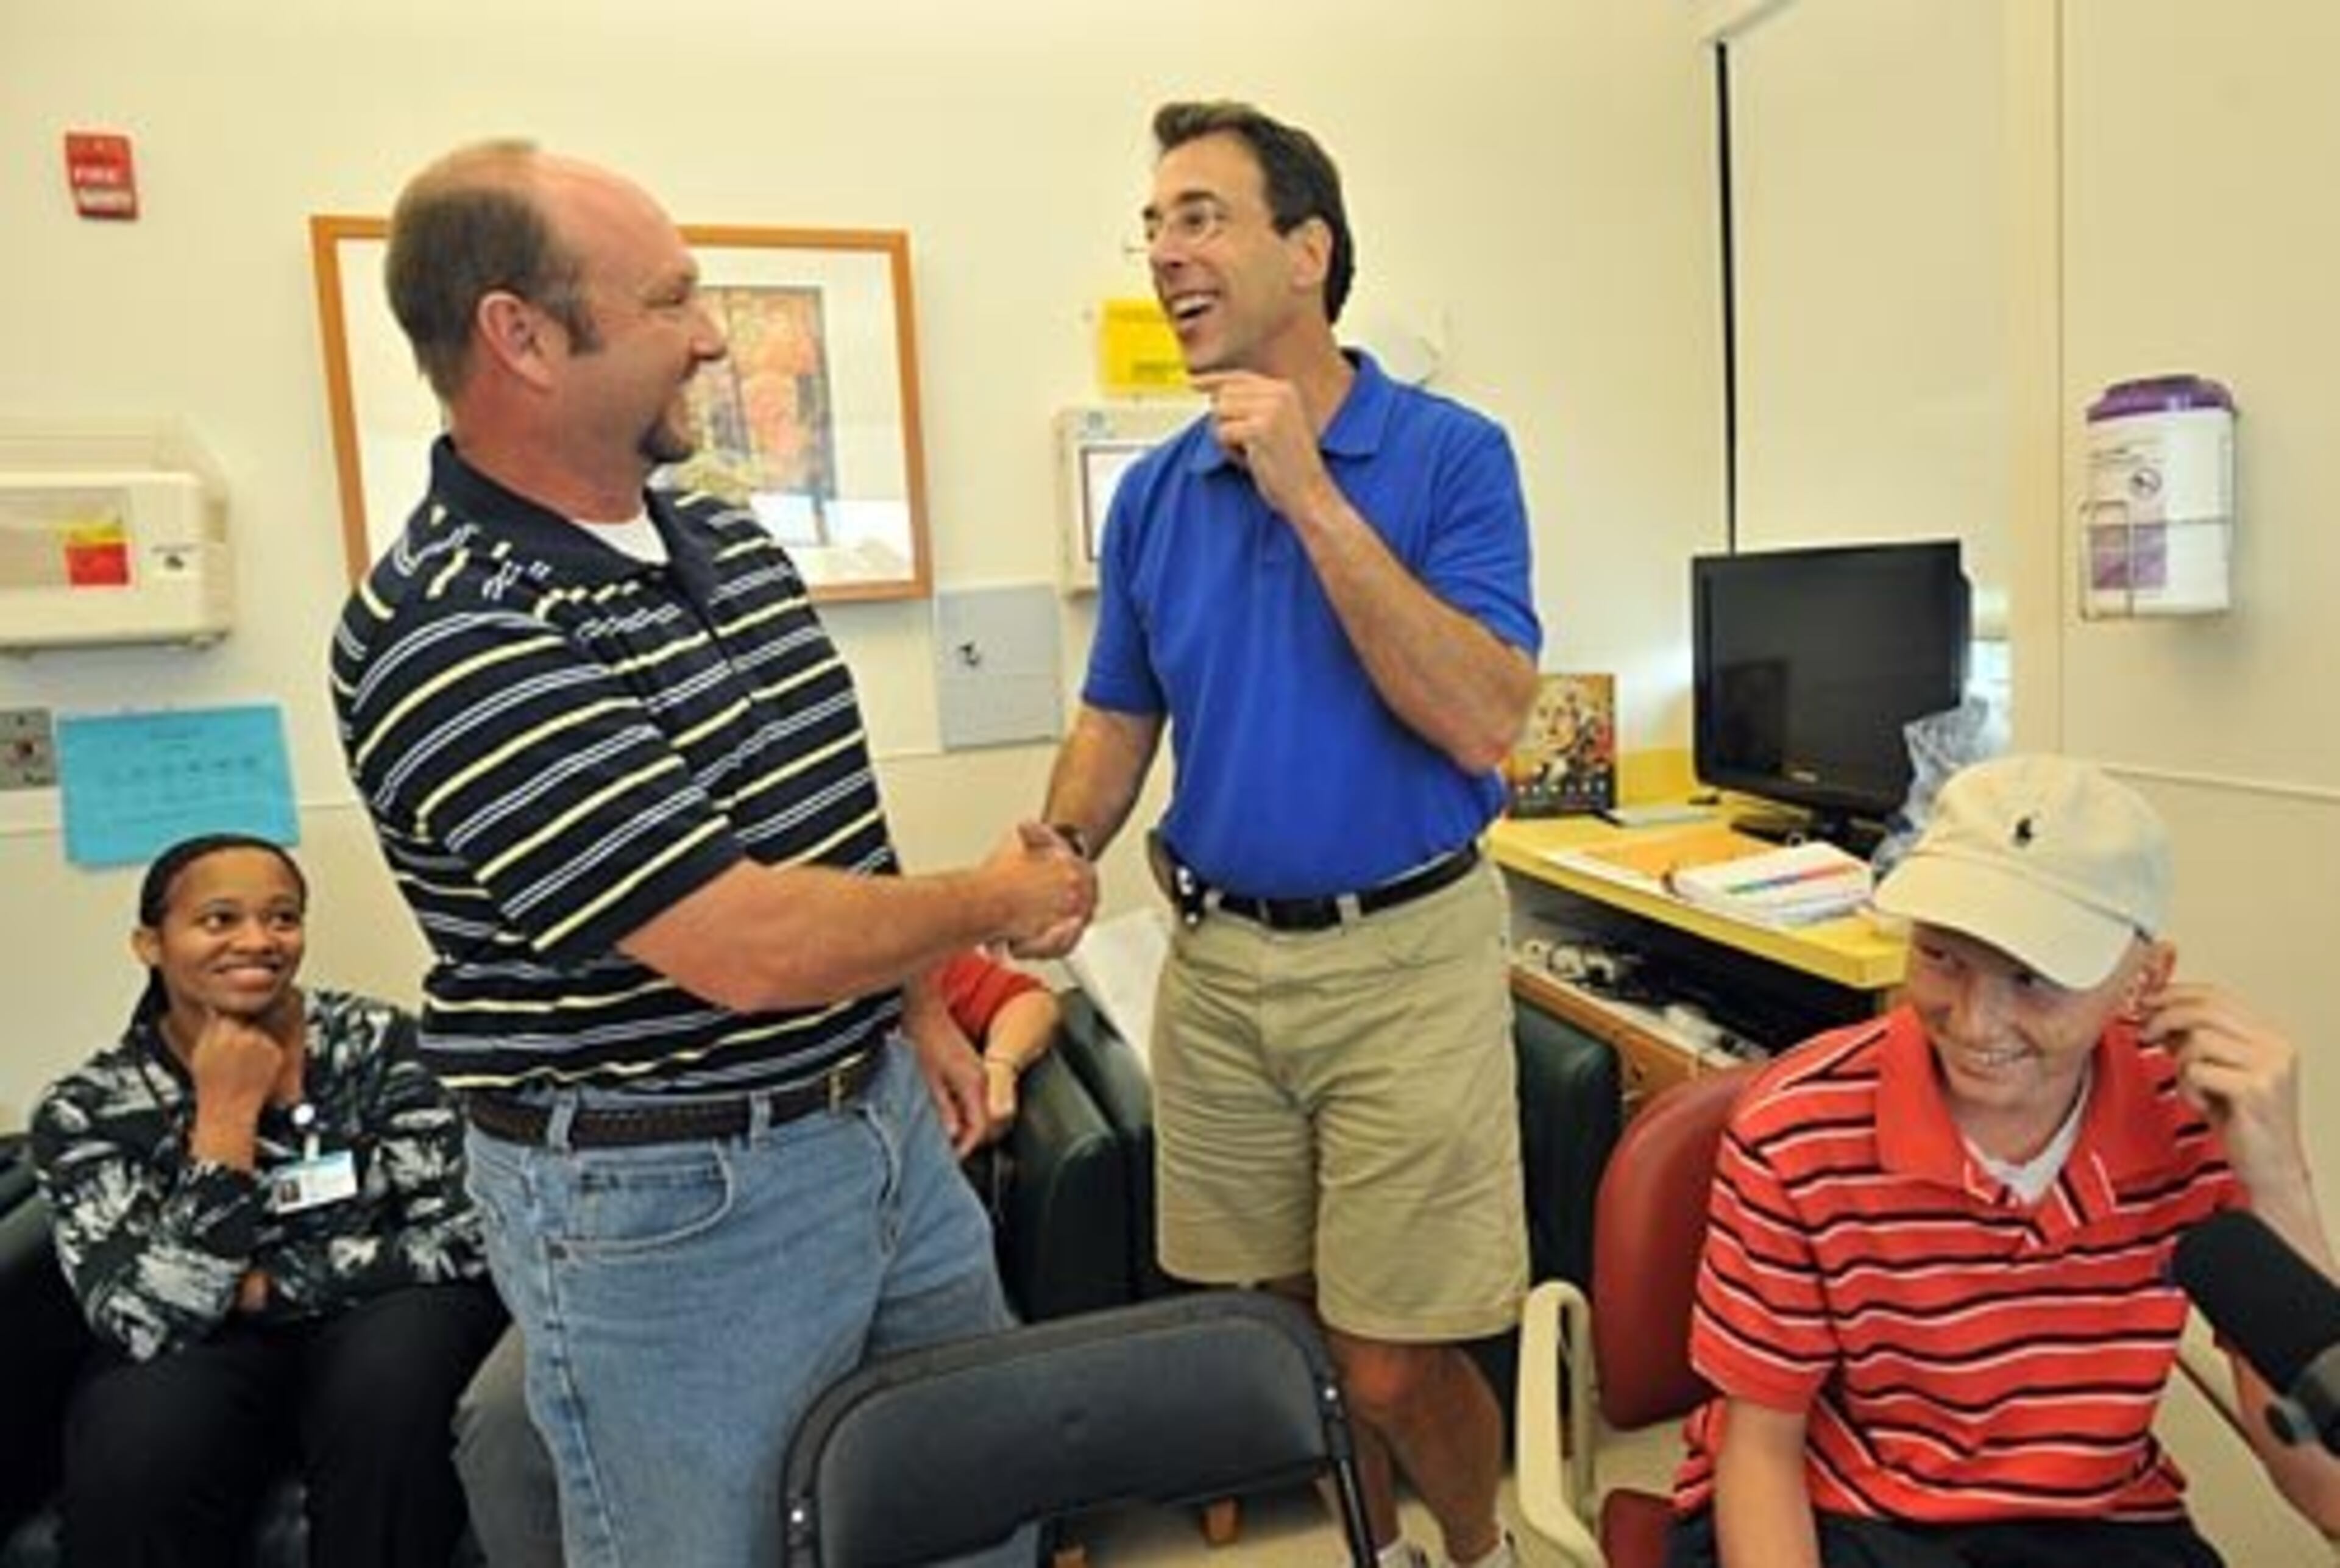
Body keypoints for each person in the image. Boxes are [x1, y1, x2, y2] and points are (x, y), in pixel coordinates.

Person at [329, 141, 1092, 1568]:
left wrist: (914, 1004)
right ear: (523, 336)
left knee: (973, 1510)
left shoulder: (725, 542)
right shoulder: (453, 630)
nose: (708, 334)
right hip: (670, 1208)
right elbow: (740, 939)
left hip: (873, 1131)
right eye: (672, 299)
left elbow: (824, 816)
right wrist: (995, 901)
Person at [1035, 101, 1541, 1568]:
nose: (1163, 254)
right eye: (1151, 227)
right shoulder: (1152, 496)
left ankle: (1477, 1544)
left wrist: (1311, 495)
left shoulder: (1450, 456)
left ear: (1306, 250)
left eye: (1199, 217)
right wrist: (1059, 845)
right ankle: (1375, 1552)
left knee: (1390, 1356)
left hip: (1401, 959)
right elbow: (1116, 720)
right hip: (1220, 967)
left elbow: (1481, 717)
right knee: (1292, 1342)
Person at [1669, 754, 2340, 1568]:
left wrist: (2277, 1176)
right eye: (1944, 956)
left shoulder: (2194, 1120)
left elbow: (2329, 1496)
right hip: (1852, 1507)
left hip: (2093, 1523)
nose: (1979, 1023)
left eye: (2035, 977)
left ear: (2144, 978)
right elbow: (1760, 1445)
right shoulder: (1798, 1129)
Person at [450, 949, 1062, 1568]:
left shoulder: (874, 931)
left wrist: (989, 1060)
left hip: (862, 1174)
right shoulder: (740, 938)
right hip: (651, 1217)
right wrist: (1006, 890)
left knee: (963, 1462)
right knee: (501, 1422)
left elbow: (1025, 997)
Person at [27, 832, 506, 1567]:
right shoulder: (89, 1106)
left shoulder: (379, 1044)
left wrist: (272, 1286)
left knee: (395, 1387)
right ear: (150, 943)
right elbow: (147, 1317)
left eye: (283, 918)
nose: (258, 940)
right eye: (218, 919)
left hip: (379, 1313)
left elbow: (465, 1234)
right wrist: (225, 1120)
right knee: (138, 1443)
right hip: (207, 1341)